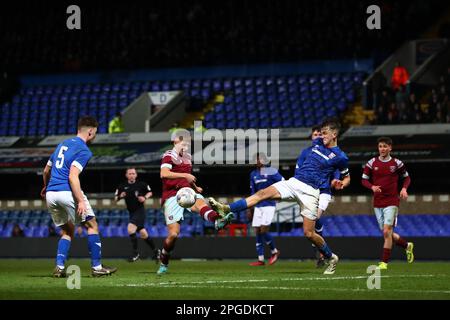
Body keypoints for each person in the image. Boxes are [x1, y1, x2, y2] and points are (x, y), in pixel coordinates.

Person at [209, 119, 350, 275]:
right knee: (261, 194)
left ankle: (331, 258)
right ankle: (226, 208)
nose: (320, 136)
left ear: (334, 134)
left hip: (311, 192)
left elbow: (347, 177)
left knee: (309, 233)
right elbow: (314, 137)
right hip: (295, 183)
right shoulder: (317, 144)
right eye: (320, 133)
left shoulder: (341, 156)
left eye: (324, 133)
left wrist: (342, 183)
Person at [40, 116, 117, 278]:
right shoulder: (83, 150)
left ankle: (59, 268)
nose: (94, 136)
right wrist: (80, 200)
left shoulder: (62, 144)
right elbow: (72, 176)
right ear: (90, 131)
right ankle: (97, 267)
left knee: (68, 230)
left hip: (51, 194)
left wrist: (46, 187)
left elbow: (46, 171)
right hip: (67, 192)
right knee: (92, 225)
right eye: (95, 133)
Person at [157, 129, 234, 275]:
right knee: (173, 235)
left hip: (187, 191)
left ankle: (217, 220)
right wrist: (186, 175)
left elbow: (186, 178)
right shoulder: (168, 155)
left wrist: (194, 186)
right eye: (183, 142)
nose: (186, 145)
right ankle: (164, 259)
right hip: (172, 195)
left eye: (188, 143)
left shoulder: (187, 157)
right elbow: (164, 174)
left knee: (200, 205)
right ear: (175, 142)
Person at [361, 137, 414, 270]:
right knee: (387, 233)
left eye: (385, 146)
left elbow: (407, 178)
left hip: (392, 201)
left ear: (390, 148)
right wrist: (372, 187)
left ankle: (384, 262)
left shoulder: (397, 163)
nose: (382, 149)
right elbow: (364, 180)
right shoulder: (372, 163)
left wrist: (404, 188)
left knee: (386, 231)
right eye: (380, 146)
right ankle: (407, 246)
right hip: (377, 202)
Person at [297, 125, 340, 267]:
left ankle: (322, 254)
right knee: (311, 227)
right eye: (315, 135)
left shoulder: (331, 152)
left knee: (316, 217)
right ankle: (322, 252)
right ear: (311, 137)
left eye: (320, 134)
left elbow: (337, 169)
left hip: (323, 191)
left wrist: (336, 179)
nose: (318, 137)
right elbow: (298, 171)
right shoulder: (306, 153)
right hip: (307, 190)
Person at [115, 167, 160, 262]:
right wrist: (120, 196)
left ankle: (135, 254)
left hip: (140, 211)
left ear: (136, 175)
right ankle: (157, 252)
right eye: (130, 173)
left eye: (133, 173)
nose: (131, 175)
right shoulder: (122, 186)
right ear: (126, 175)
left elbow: (150, 192)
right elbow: (115, 199)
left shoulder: (141, 184)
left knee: (130, 228)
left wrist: (144, 197)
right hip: (131, 212)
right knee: (144, 234)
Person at [247, 153, 284, 266]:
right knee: (257, 231)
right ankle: (261, 259)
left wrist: (280, 194)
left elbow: (283, 181)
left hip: (269, 204)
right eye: (256, 159)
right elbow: (253, 192)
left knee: (263, 230)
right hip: (258, 205)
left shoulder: (271, 171)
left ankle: (274, 251)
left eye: (260, 158)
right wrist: (250, 207)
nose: (258, 161)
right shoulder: (253, 174)